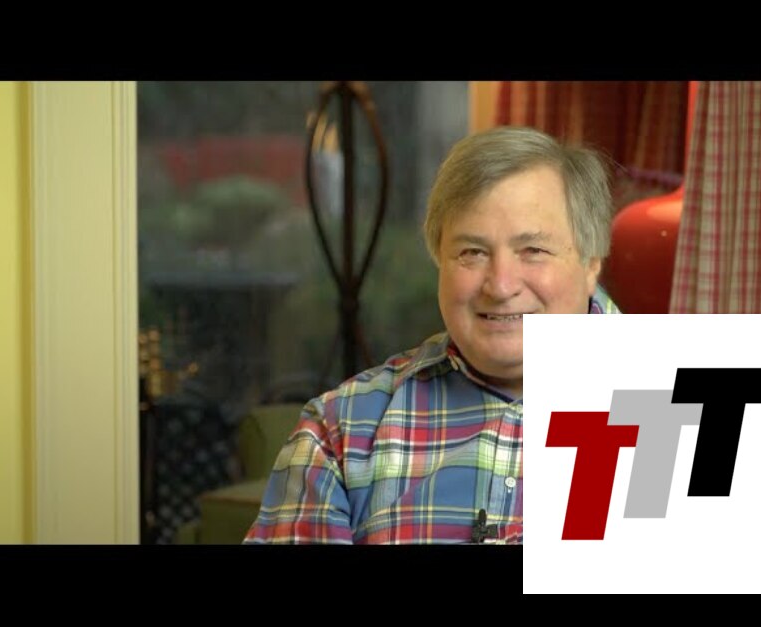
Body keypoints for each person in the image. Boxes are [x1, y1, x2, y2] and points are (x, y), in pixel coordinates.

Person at [243, 126, 620, 545]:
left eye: (533, 250)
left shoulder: (669, 401)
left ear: (591, 263)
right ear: (439, 260)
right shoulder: (340, 431)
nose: (501, 285)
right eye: (472, 252)